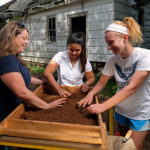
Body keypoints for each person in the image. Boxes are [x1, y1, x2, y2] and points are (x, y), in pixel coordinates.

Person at [78, 17, 150, 150]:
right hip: (121, 111)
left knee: (131, 147)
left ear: (125, 38)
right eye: (107, 44)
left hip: (140, 113)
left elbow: (132, 87)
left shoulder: (145, 56)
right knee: (122, 143)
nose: (109, 48)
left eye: (111, 43)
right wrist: (90, 95)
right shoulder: (113, 59)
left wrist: (103, 106)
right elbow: (101, 82)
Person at [0, 21, 66, 123]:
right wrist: (47, 105)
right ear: (11, 37)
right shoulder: (6, 60)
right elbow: (22, 92)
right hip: (6, 117)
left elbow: (23, 78)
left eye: (27, 39)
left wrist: (41, 82)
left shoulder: (14, 57)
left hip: (18, 110)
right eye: (24, 38)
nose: (27, 42)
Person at [44, 32, 95, 97]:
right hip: (62, 90)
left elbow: (91, 77)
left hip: (78, 91)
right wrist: (59, 89)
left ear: (82, 49)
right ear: (67, 46)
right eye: (71, 50)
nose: (74, 53)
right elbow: (47, 72)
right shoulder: (60, 56)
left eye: (77, 50)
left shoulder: (84, 61)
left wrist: (86, 84)